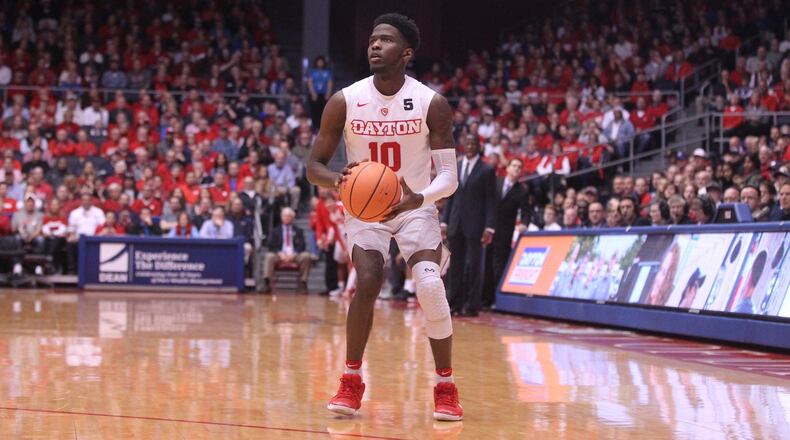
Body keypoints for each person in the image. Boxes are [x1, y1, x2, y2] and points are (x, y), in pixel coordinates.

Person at [306, 13, 463, 421]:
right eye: (373, 39)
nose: (375, 45)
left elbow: (449, 177)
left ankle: (445, 385)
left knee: (429, 286)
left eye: (386, 41)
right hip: (365, 208)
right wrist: (338, 182)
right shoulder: (345, 99)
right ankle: (351, 378)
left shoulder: (432, 103)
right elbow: (313, 166)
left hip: (415, 206)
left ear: (406, 53)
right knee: (370, 280)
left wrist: (419, 198)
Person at [443, 135, 497, 317]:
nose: (470, 146)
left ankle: (473, 305)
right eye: (467, 143)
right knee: (455, 266)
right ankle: (454, 303)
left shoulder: (487, 170)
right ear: (463, 146)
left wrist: (489, 227)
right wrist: (444, 221)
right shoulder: (456, 167)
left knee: (474, 266)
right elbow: (450, 196)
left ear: (479, 147)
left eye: (474, 144)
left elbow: (491, 200)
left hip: (476, 224)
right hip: (456, 222)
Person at [485, 158, 529, 308]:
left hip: (505, 231)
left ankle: (496, 299)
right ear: (508, 168)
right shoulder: (496, 182)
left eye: (519, 167)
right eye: (514, 165)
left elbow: (526, 212)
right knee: (485, 263)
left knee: (499, 264)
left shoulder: (522, 190)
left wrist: (524, 224)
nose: (516, 168)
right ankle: (483, 298)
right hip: (488, 228)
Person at [262, 207, 312, 292]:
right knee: (269, 256)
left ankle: (302, 282)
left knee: (306, 256)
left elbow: (302, 246)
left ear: (292, 218)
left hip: (294, 254)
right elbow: (271, 246)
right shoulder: (275, 231)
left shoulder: (298, 230)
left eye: (289, 216)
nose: (287, 218)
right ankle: (267, 282)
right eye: (285, 216)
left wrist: (294, 254)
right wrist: (280, 253)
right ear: (281, 217)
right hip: (280, 254)